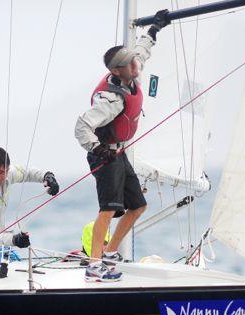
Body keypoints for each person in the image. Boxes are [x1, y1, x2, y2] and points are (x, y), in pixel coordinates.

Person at [74, 10, 170, 282]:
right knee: (107, 209)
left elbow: (141, 51)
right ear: (116, 70)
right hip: (104, 155)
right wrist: (97, 149)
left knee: (138, 206)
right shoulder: (110, 100)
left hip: (119, 151)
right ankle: (94, 266)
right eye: (129, 64)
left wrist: (154, 29)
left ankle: (110, 252)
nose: (135, 65)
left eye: (133, 62)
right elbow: (82, 126)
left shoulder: (131, 70)